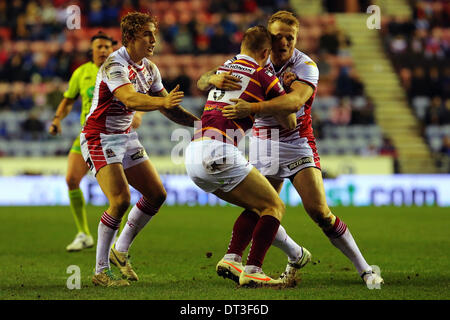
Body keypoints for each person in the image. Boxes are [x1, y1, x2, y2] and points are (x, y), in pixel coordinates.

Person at [198, 10, 383, 286]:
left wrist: (254, 107)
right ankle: (244, 261)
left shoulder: (306, 66)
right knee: (261, 205)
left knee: (319, 211)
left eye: (290, 37)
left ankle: (364, 268)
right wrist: (212, 80)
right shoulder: (255, 62)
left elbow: (295, 103)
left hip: (297, 143)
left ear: (297, 39)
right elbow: (202, 80)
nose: (284, 42)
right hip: (264, 141)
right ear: (267, 39)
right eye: (278, 37)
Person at [81, 12, 199, 287]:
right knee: (120, 200)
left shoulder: (149, 68)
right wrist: (162, 102)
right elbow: (129, 97)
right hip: (100, 136)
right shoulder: (114, 64)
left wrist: (203, 125)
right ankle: (100, 271)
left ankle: (120, 250)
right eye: (147, 34)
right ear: (131, 37)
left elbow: (169, 108)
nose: (153, 40)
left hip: (125, 136)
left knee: (156, 194)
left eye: (154, 34)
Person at [185, 25, 301, 288]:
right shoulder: (263, 74)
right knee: (275, 206)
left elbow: (202, 80)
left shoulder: (226, 67)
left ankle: (232, 257)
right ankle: (253, 269)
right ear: (265, 52)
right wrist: (286, 90)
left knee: (257, 205)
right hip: (218, 150)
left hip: (193, 156)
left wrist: (210, 79)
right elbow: (291, 121)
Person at [49, 31, 133, 252]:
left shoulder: (120, 70)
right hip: (88, 136)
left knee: (117, 197)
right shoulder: (82, 73)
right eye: (99, 47)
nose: (104, 50)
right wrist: (57, 119)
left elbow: (133, 98)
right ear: (92, 50)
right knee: (71, 179)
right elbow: (68, 101)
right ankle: (83, 233)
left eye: (107, 47)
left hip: (114, 138)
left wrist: (139, 115)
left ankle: (116, 243)